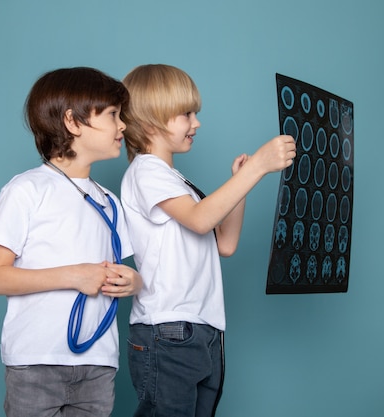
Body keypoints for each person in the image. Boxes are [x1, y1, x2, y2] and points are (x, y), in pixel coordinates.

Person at [119, 64, 296, 417]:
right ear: (153, 119)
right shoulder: (146, 171)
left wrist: (244, 181)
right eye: (186, 114)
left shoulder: (176, 181)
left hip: (201, 329)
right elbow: (201, 221)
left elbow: (225, 243)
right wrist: (257, 167)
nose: (196, 122)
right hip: (168, 329)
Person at [0, 67, 142, 417]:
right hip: (36, 360)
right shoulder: (26, 189)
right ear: (73, 122)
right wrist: (74, 275)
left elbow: (119, 271)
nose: (123, 126)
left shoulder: (109, 201)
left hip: (98, 363)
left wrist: (134, 281)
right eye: (113, 115)